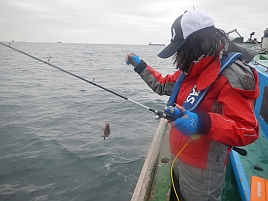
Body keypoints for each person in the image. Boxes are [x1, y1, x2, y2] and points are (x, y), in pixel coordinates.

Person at [125, 10, 259, 201]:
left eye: (180, 48)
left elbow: (248, 130)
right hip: (178, 154)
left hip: (203, 169)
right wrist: (140, 66)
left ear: (196, 44)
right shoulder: (188, 72)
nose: (178, 55)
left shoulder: (230, 75)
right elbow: (162, 84)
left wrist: (203, 122)